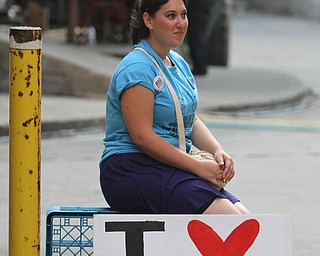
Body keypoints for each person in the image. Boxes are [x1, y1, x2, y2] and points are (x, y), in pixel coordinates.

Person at [99, 0, 250, 214]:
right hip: (131, 168)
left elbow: (191, 119)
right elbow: (142, 136)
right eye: (171, 16)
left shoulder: (178, 63)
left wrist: (217, 151)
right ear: (148, 20)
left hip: (171, 166)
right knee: (229, 216)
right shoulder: (137, 67)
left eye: (184, 15)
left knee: (245, 217)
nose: (181, 23)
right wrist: (197, 166)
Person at [187, 0, 213, 75]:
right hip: (200, 7)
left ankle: (200, 66)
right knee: (197, 37)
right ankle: (200, 66)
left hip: (198, 8)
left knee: (196, 37)